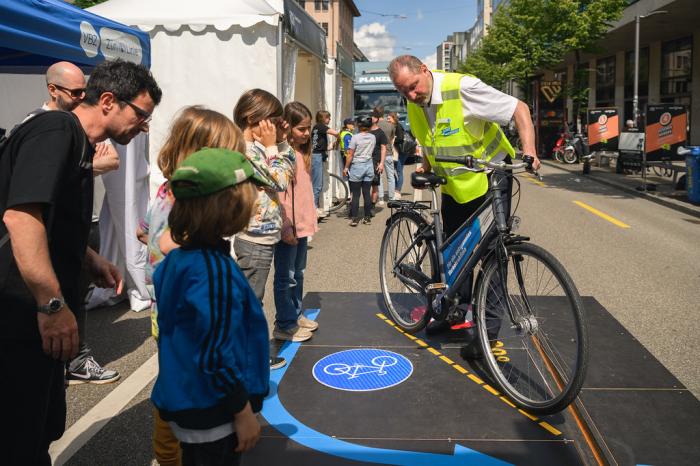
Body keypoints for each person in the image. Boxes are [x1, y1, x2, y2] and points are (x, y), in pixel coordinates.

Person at [0, 59, 161, 465]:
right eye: (141, 115)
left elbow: (49, 220)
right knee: (19, 434)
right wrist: (51, 305)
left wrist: (88, 258)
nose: (144, 127)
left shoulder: (76, 141)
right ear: (107, 101)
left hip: (36, 316)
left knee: (42, 425)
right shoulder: (56, 130)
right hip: (20, 314)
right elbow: (20, 218)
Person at [387, 55, 539, 353]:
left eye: (414, 86)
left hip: (490, 177)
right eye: (403, 91)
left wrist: (530, 150)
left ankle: (487, 335)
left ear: (425, 70)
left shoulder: (463, 88)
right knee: (456, 253)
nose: (411, 95)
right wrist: (426, 164)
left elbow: (518, 108)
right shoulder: (415, 102)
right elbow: (428, 136)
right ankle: (452, 312)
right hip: (454, 185)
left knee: (494, 254)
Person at [137, 106, 246, 466]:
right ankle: (172, 455)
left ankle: (169, 452)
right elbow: (169, 243)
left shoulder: (165, 191)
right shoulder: (186, 207)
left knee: (173, 380)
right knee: (191, 386)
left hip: (165, 312)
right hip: (188, 315)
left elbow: (143, 231)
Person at [151, 148, 270, 466]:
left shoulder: (177, 260)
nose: (256, 203)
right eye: (252, 196)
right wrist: (242, 410)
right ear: (229, 209)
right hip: (214, 410)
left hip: (188, 398)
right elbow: (215, 353)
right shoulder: (213, 270)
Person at [22, 62, 122, 385]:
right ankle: (68, 360)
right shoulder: (43, 127)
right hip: (51, 234)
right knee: (57, 297)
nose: (82, 98)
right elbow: (24, 211)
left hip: (82, 225)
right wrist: (85, 164)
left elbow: (112, 160)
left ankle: (71, 360)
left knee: (77, 294)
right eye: (76, 92)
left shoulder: (77, 127)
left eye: (84, 91)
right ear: (53, 90)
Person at [232, 89, 302, 357]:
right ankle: (248, 358)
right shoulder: (246, 151)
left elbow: (288, 168)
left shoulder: (259, 149)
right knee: (251, 302)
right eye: (272, 120)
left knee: (253, 299)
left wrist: (281, 143)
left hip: (263, 236)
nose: (275, 125)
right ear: (253, 118)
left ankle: (249, 355)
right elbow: (280, 180)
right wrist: (274, 147)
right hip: (253, 239)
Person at [273, 102, 320, 344]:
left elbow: (304, 194)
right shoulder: (284, 155)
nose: (306, 133)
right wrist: (285, 226)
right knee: (286, 276)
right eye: (301, 128)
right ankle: (284, 323)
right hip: (288, 226)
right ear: (288, 127)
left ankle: (296, 314)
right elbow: (282, 196)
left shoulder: (303, 154)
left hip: (302, 226)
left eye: (308, 128)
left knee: (298, 273)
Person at [343, 116, 376, 226]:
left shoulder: (355, 138)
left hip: (357, 166)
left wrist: (346, 167)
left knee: (356, 194)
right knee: (366, 193)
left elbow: (350, 155)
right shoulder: (373, 137)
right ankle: (367, 218)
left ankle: (354, 218)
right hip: (369, 165)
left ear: (359, 125)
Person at [311, 110, 339, 217]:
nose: (330, 119)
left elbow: (320, 145)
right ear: (323, 118)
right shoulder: (320, 126)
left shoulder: (316, 128)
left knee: (318, 184)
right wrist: (339, 136)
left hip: (318, 155)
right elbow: (335, 133)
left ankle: (316, 207)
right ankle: (314, 210)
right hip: (317, 157)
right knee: (317, 185)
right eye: (328, 117)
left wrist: (332, 145)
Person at [373, 106, 396, 205]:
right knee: (391, 176)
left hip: (377, 154)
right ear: (383, 113)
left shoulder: (374, 125)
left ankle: (381, 198)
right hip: (388, 152)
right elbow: (391, 138)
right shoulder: (390, 125)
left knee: (379, 177)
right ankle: (391, 198)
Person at [387, 111, 410, 198]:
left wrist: (392, 140)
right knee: (392, 171)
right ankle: (395, 188)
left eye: (389, 118)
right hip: (396, 152)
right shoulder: (392, 126)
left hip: (401, 152)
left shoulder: (398, 126)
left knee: (399, 171)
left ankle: (398, 190)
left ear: (394, 118)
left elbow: (400, 138)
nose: (388, 120)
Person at [369, 112, 388, 209]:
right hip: (364, 161)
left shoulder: (380, 133)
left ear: (376, 119)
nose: (370, 118)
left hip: (375, 162)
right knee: (363, 186)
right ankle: (366, 206)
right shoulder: (365, 130)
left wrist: (381, 163)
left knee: (374, 185)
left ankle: (372, 206)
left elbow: (383, 148)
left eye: (372, 117)